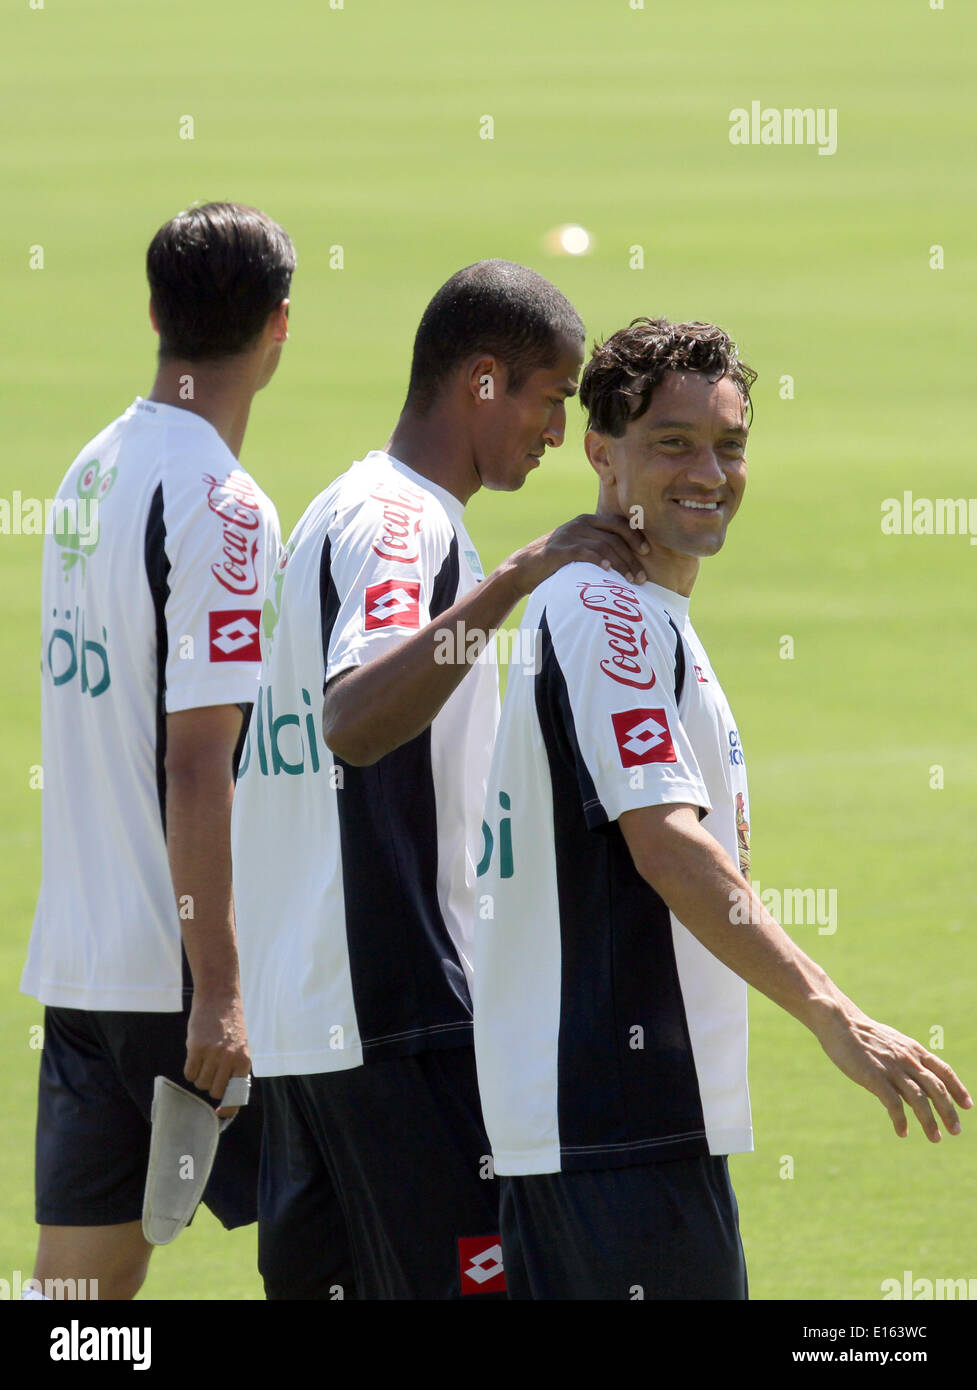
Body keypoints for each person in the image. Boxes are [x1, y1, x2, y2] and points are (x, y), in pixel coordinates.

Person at [472, 317, 972, 1300]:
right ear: (601, 455)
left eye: (728, 445)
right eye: (672, 443)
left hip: (595, 1127)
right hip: (618, 1125)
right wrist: (832, 1013)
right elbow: (664, 842)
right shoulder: (606, 609)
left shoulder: (632, 610)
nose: (709, 471)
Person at [230, 259, 652, 1299]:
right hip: (397, 1017)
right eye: (549, 398)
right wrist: (516, 576)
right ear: (481, 380)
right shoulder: (405, 523)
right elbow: (353, 717)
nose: (555, 433)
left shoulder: (338, 504)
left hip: (308, 1024)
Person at [21, 201, 294, 1300]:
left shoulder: (92, 467)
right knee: (409, 1229)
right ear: (280, 326)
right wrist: (221, 989)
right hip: (181, 983)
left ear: (153, 311)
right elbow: (194, 761)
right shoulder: (225, 506)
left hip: (84, 961)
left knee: (77, 1302)